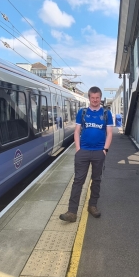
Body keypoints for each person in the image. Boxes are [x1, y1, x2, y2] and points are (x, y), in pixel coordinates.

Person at [60, 86, 113, 222]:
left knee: (96, 181)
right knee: (78, 181)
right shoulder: (82, 112)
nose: (95, 100)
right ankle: (72, 212)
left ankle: (92, 206)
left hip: (99, 152)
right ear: (89, 98)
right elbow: (77, 131)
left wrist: (105, 150)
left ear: (100, 98)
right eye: (92, 98)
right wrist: (78, 148)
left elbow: (109, 133)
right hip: (83, 152)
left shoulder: (106, 113)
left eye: (97, 98)